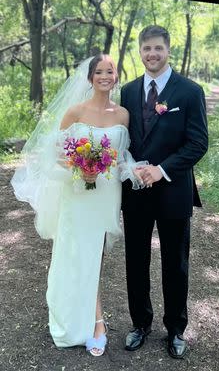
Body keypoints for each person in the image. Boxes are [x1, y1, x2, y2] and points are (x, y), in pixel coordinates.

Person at [11, 54, 144, 356]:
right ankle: (88, 321)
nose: (105, 76)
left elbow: (122, 157)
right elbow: (55, 154)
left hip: (106, 192)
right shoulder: (74, 112)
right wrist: (79, 168)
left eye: (110, 71)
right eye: (99, 71)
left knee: (95, 253)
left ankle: (93, 317)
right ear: (90, 77)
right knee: (73, 252)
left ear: (116, 76)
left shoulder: (122, 114)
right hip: (78, 191)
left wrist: (138, 171)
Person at [121, 25, 208, 359]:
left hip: (173, 191)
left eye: (158, 49)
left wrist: (161, 170)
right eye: (146, 49)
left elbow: (198, 142)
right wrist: (129, 168)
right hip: (136, 193)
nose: (152, 55)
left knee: (176, 263)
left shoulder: (188, 91)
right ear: (140, 52)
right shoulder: (128, 91)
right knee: (136, 261)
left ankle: (175, 329)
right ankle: (140, 323)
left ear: (167, 50)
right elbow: (126, 138)